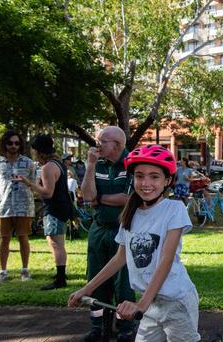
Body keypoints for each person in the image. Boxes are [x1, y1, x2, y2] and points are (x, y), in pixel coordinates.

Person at [69, 144, 201, 342]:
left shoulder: (174, 209)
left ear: (167, 181)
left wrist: (141, 305)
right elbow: (119, 258)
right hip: (151, 303)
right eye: (139, 176)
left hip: (176, 300)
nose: (146, 183)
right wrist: (86, 289)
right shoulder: (130, 214)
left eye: (154, 176)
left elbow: (165, 261)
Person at [80, 126, 137, 342]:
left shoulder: (131, 164)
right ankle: (99, 326)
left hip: (123, 228)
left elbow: (128, 198)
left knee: (123, 281)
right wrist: (90, 167)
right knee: (95, 276)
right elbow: (87, 196)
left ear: (118, 145)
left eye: (102, 141)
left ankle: (125, 326)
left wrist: (99, 197)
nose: (98, 144)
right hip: (99, 228)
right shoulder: (97, 164)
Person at [17, 134, 72, 290]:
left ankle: (61, 279)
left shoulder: (48, 167)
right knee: (56, 242)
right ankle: (60, 274)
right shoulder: (59, 163)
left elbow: (48, 192)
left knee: (56, 244)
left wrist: (29, 183)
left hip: (54, 208)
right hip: (61, 207)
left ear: (39, 152)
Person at [0, 130, 37, 284]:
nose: (13, 146)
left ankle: (25, 270)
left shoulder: (29, 163)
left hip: (24, 206)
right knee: (4, 239)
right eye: (10, 143)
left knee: (23, 237)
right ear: (5, 144)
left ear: (20, 145)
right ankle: (2, 272)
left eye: (17, 143)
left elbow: (34, 184)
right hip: (4, 206)